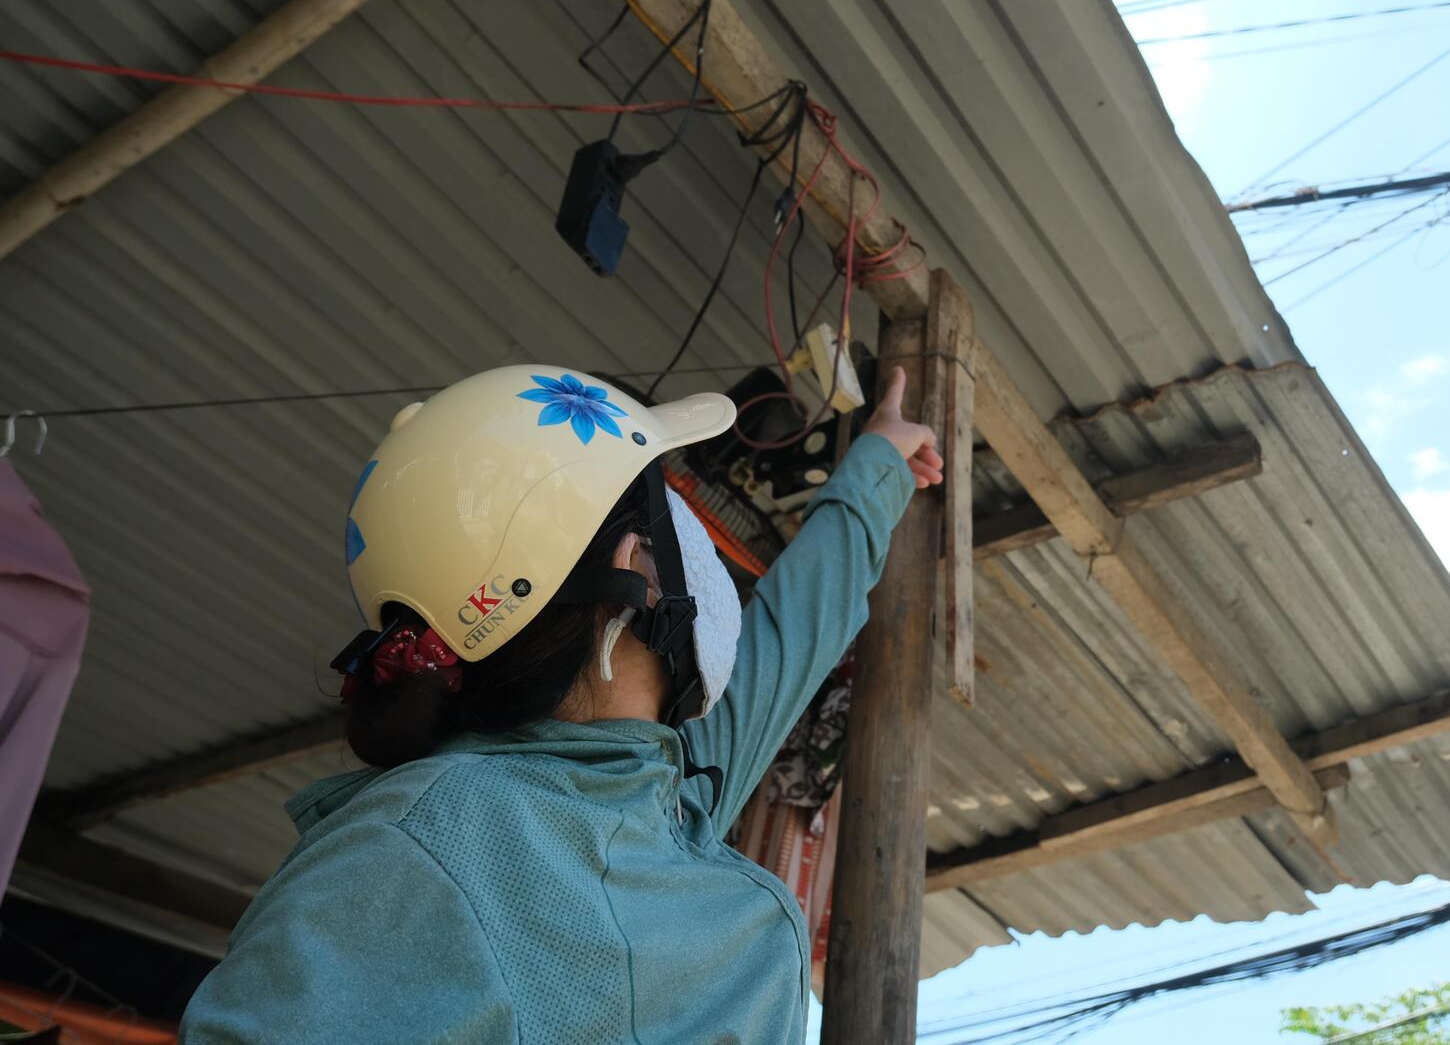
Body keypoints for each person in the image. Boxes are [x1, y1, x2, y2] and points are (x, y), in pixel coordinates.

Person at [180, 363, 942, 1045]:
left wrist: (876, 465)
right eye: (677, 513)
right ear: (634, 567)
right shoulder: (412, 854)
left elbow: (793, 634)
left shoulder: (661, 803)